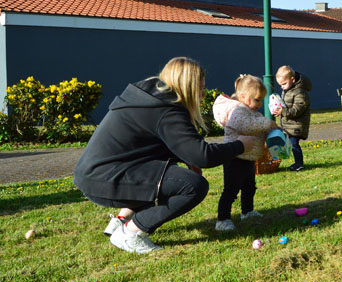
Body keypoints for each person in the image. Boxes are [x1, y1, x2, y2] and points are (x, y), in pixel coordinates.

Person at [73, 57, 258, 254]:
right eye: (200, 89)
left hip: (94, 174)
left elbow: (154, 145)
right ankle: (131, 232)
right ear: (187, 86)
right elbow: (203, 156)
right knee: (193, 186)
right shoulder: (167, 109)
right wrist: (240, 145)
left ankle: (121, 221)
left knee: (169, 178)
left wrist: (187, 157)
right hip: (105, 178)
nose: (203, 95)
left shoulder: (150, 98)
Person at [212, 74, 278, 232]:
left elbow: (256, 128)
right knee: (231, 190)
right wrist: (267, 123)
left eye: (261, 100)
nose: (259, 104)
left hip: (247, 158)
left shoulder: (251, 112)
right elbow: (246, 125)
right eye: (256, 99)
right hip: (234, 158)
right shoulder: (238, 110)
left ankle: (247, 211)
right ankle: (222, 219)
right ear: (242, 96)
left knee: (249, 187)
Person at [275, 65, 312, 170]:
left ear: (292, 79)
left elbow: (298, 110)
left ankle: (299, 164)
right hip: (289, 124)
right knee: (287, 143)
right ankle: (290, 162)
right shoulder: (288, 89)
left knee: (294, 144)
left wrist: (283, 112)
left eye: (284, 84)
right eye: (280, 85)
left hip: (296, 125)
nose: (282, 87)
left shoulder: (300, 92)